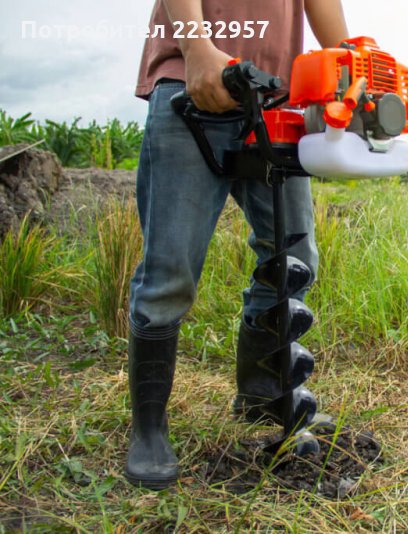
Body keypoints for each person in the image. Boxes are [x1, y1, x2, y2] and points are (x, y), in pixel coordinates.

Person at [126, 0, 349, 490]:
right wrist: (197, 49)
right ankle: (148, 429)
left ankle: (263, 393)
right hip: (194, 83)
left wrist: (346, 64)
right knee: (170, 274)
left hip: (276, 99)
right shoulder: (194, 62)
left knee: (292, 259)